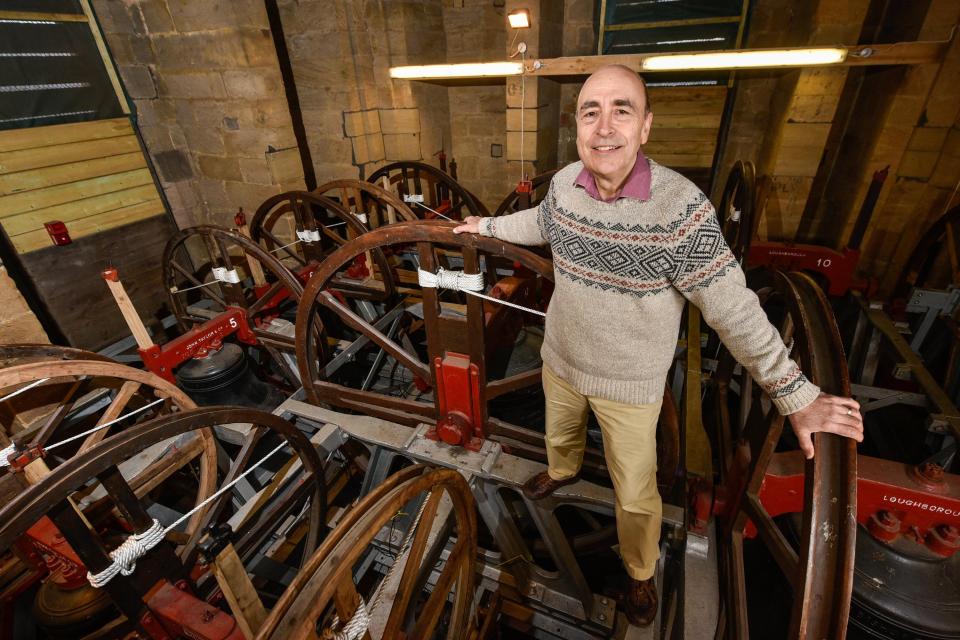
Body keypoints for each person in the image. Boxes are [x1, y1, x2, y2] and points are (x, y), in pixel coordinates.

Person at [453, 64, 864, 627]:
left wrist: (795, 395)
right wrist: (487, 229)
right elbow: (540, 223)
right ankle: (565, 470)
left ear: (646, 126)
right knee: (560, 436)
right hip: (560, 361)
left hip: (630, 387)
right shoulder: (566, 186)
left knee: (636, 491)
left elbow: (734, 308)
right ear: (577, 125)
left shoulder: (681, 211)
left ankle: (639, 574)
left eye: (621, 110)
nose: (604, 127)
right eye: (590, 111)